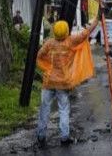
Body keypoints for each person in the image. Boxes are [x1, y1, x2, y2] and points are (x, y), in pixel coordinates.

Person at [35, 17, 99, 147]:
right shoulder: (70, 41)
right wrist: (97, 19)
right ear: (66, 30)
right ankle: (64, 137)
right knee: (63, 109)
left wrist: (46, 68)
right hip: (63, 84)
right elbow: (85, 33)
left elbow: (39, 56)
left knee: (44, 109)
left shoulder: (49, 43)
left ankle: (41, 136)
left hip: (48, 82)